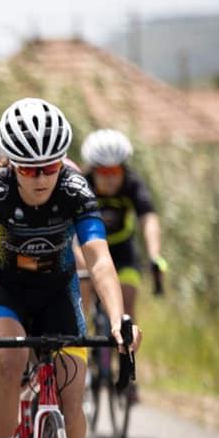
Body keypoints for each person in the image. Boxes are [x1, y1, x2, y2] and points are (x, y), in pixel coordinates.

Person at [0, 99, 142, 438]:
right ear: (11, 164)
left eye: (50, 166)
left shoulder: (75, 187)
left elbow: (99, 260)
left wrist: (119, 318)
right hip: (7, 290)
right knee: (8, 361)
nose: (41, 177)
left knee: (72, 386)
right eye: (29, 169)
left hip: (58, 289)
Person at [80, 129, 165, 319]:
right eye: (103, 171)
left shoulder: (132, 184)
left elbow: (148, 218)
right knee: (81, 303)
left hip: (123, 252)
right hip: (88, 252)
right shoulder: (81, 185)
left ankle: (125, 338)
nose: (110, 178)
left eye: (115, 171)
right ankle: (82, 333)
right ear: (92, 169)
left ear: (123, 169)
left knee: (125, 304)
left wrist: (154, 256)